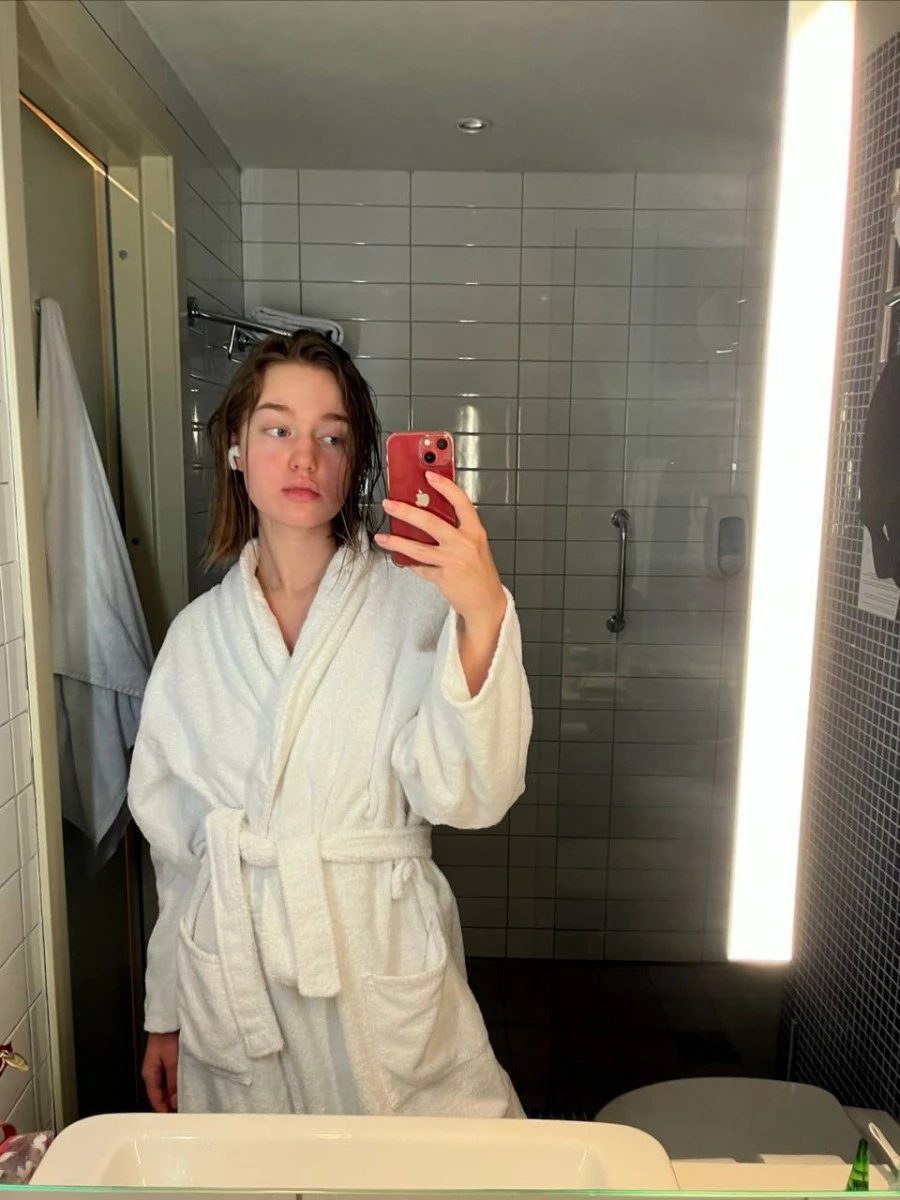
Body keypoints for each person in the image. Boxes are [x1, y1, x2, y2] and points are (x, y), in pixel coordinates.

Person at [128, 330, 532, 1118]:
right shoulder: (196, 639)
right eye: (278, 428)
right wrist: (165, 1012)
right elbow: (178, 856)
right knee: (257, 1173)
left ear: (356, 461)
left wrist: (483, 612)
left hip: (376, 966)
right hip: (235, 980)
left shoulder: (415, 604)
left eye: (332, 437)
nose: (304, 458)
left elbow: (471, 797)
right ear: (235, 446)